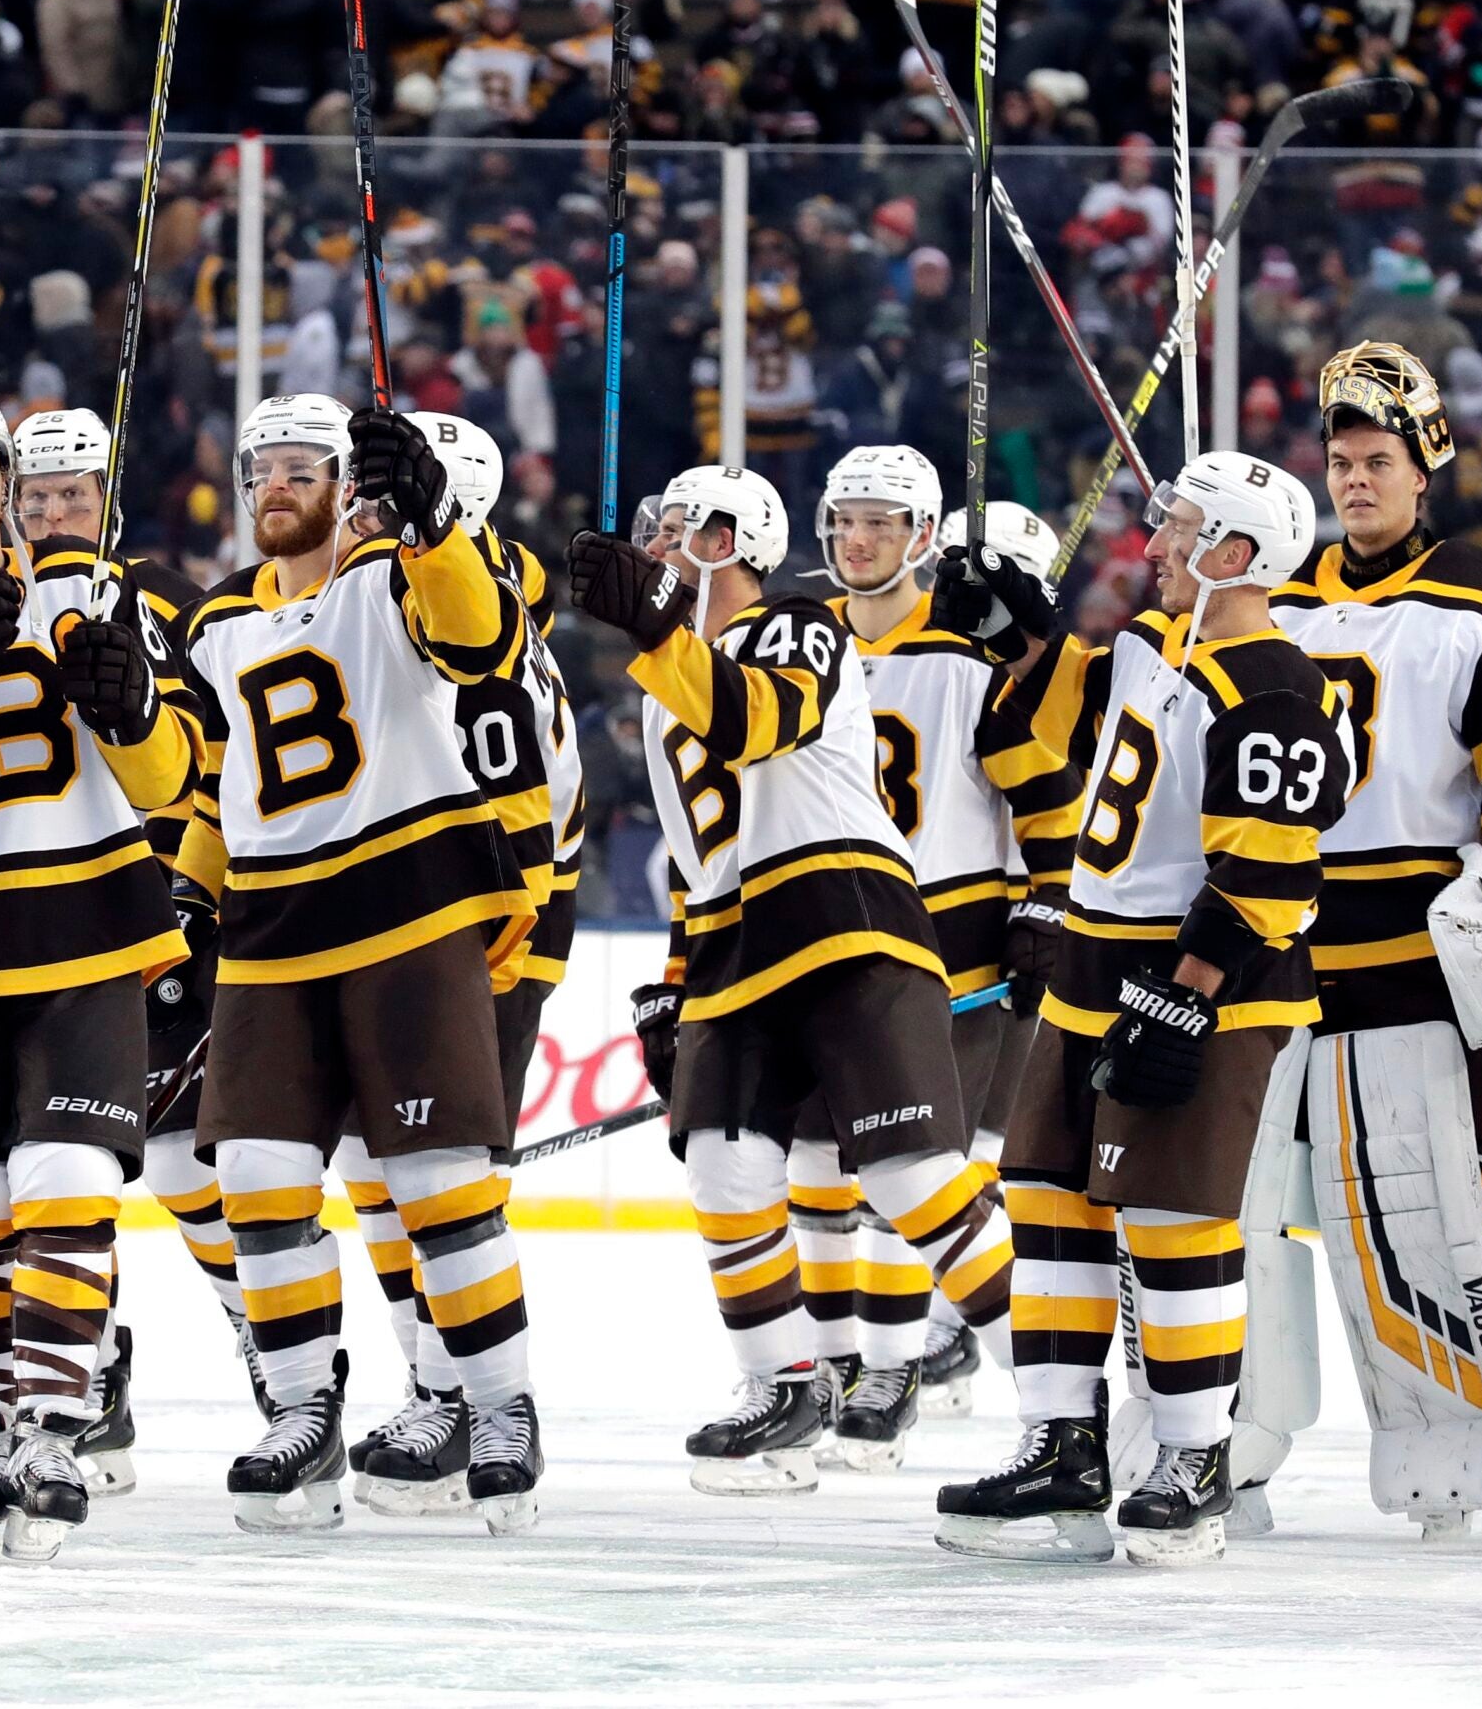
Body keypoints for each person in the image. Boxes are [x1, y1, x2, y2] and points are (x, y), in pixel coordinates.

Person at [927, 453, 1347, 1566]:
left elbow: (1267, 876)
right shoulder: (1151, 647)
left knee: (1170, 1215)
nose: (1152, 548)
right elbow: (1045, 736)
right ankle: (1061, 1444)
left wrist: (1185, 997)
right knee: (1049, 1201)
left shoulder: (1273, 686)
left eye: (1179, 532)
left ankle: (1192, 1457)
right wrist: (1010, 631)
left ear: (1236, 556)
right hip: (1086, 968)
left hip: (1205, 983)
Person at [569, 467, 1018, 1495]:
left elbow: (755, 721)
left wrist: (650, 633)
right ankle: (781, 1387)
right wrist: (670, 980)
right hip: (735, 946)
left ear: (734, 541)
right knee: (725, 1170)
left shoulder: (797, 625)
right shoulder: (670, 674)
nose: (662, 545)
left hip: (838, 918)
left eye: (681, 529)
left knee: (910, 1179)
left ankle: (1067, 1403)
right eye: (659, 528)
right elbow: (695, 859)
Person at [1237, 341, 1482, 1539]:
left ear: (1423, 466)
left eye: (1375, 461)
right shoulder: (1272, 596)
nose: (1352, 481)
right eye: (1339, 462)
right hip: (1265, 950)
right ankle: (1212, 1442)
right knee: (1225, 1215)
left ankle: (1445, 1452)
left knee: (1410, 1225)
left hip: (1403, 963)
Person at [177, 394, 544, 1534]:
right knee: (257, 1181)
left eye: (302, 466)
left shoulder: (400, 573)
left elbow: (485, 640)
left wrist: (434, 526)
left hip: (404, 907)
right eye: (262, 467)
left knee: (436, 1183)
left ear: (347, 484)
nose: (276, 484)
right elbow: (207, 783)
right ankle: (300, 1411)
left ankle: (500, 1408)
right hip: (273, 927)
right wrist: (189, 891)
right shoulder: (214, 625)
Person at [0, 383, 193, 1563]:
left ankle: (56, 1424)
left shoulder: (94, 591)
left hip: (85, 921)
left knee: (65, 1174)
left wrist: (133, 705)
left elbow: (169, 780)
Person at [334, 412, 585, 1515]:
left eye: (378, 503)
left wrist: (504, 929)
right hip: (421, 923)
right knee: (374, 1166)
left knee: (429, 1174)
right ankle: (441, 1384)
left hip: (481, 927)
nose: (354, 517)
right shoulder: (418, 601)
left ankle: (468, 1397)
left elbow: (523, 798)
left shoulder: (465, 618)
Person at [9, 405, 263, 1450]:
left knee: (175, 1165)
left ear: (105, 503)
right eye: (40, 497)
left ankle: (262, 1323)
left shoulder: (167, 602)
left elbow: (231, 757)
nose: (57, 511)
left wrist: (201, 895)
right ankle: (94, 1355)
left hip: (150, 913)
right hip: (26, 915)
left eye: (75, 495)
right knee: (43, 1158)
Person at [822, 455, 1084, 1430]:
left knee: (924, 1166)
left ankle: (940, 1368)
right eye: (844, 521)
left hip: (953, 950)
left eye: (880, 523)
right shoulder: (805, 650)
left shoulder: (969, 668)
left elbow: (1049, 801)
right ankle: (858, 1364)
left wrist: (1042, 907)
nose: (858, 539)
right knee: (852, 1176)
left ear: (920, 534)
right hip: (835, 941)